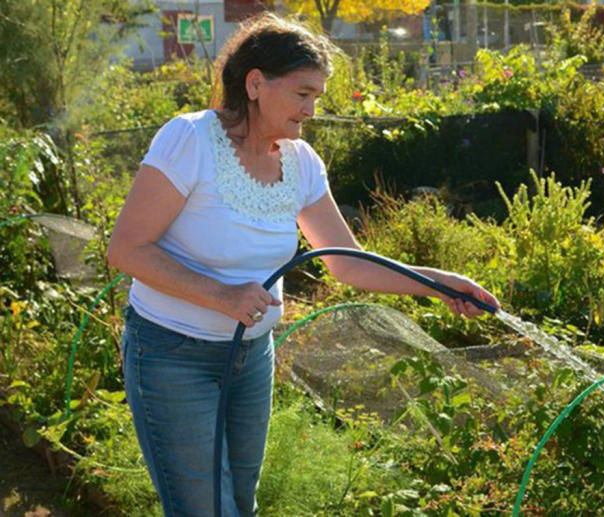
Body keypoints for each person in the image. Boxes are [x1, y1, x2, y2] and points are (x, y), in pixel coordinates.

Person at [106, 12, 499, 517]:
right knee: (204, 508)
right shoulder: (190, 141)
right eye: (302, 93)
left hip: (250, 358)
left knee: (240, 505)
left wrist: (437, 283)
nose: (312, 109)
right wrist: (223, 297)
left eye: (317, 96)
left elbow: (346, 262)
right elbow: (127, 250)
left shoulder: (301, 163)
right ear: (255, 84)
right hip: (171, 355)